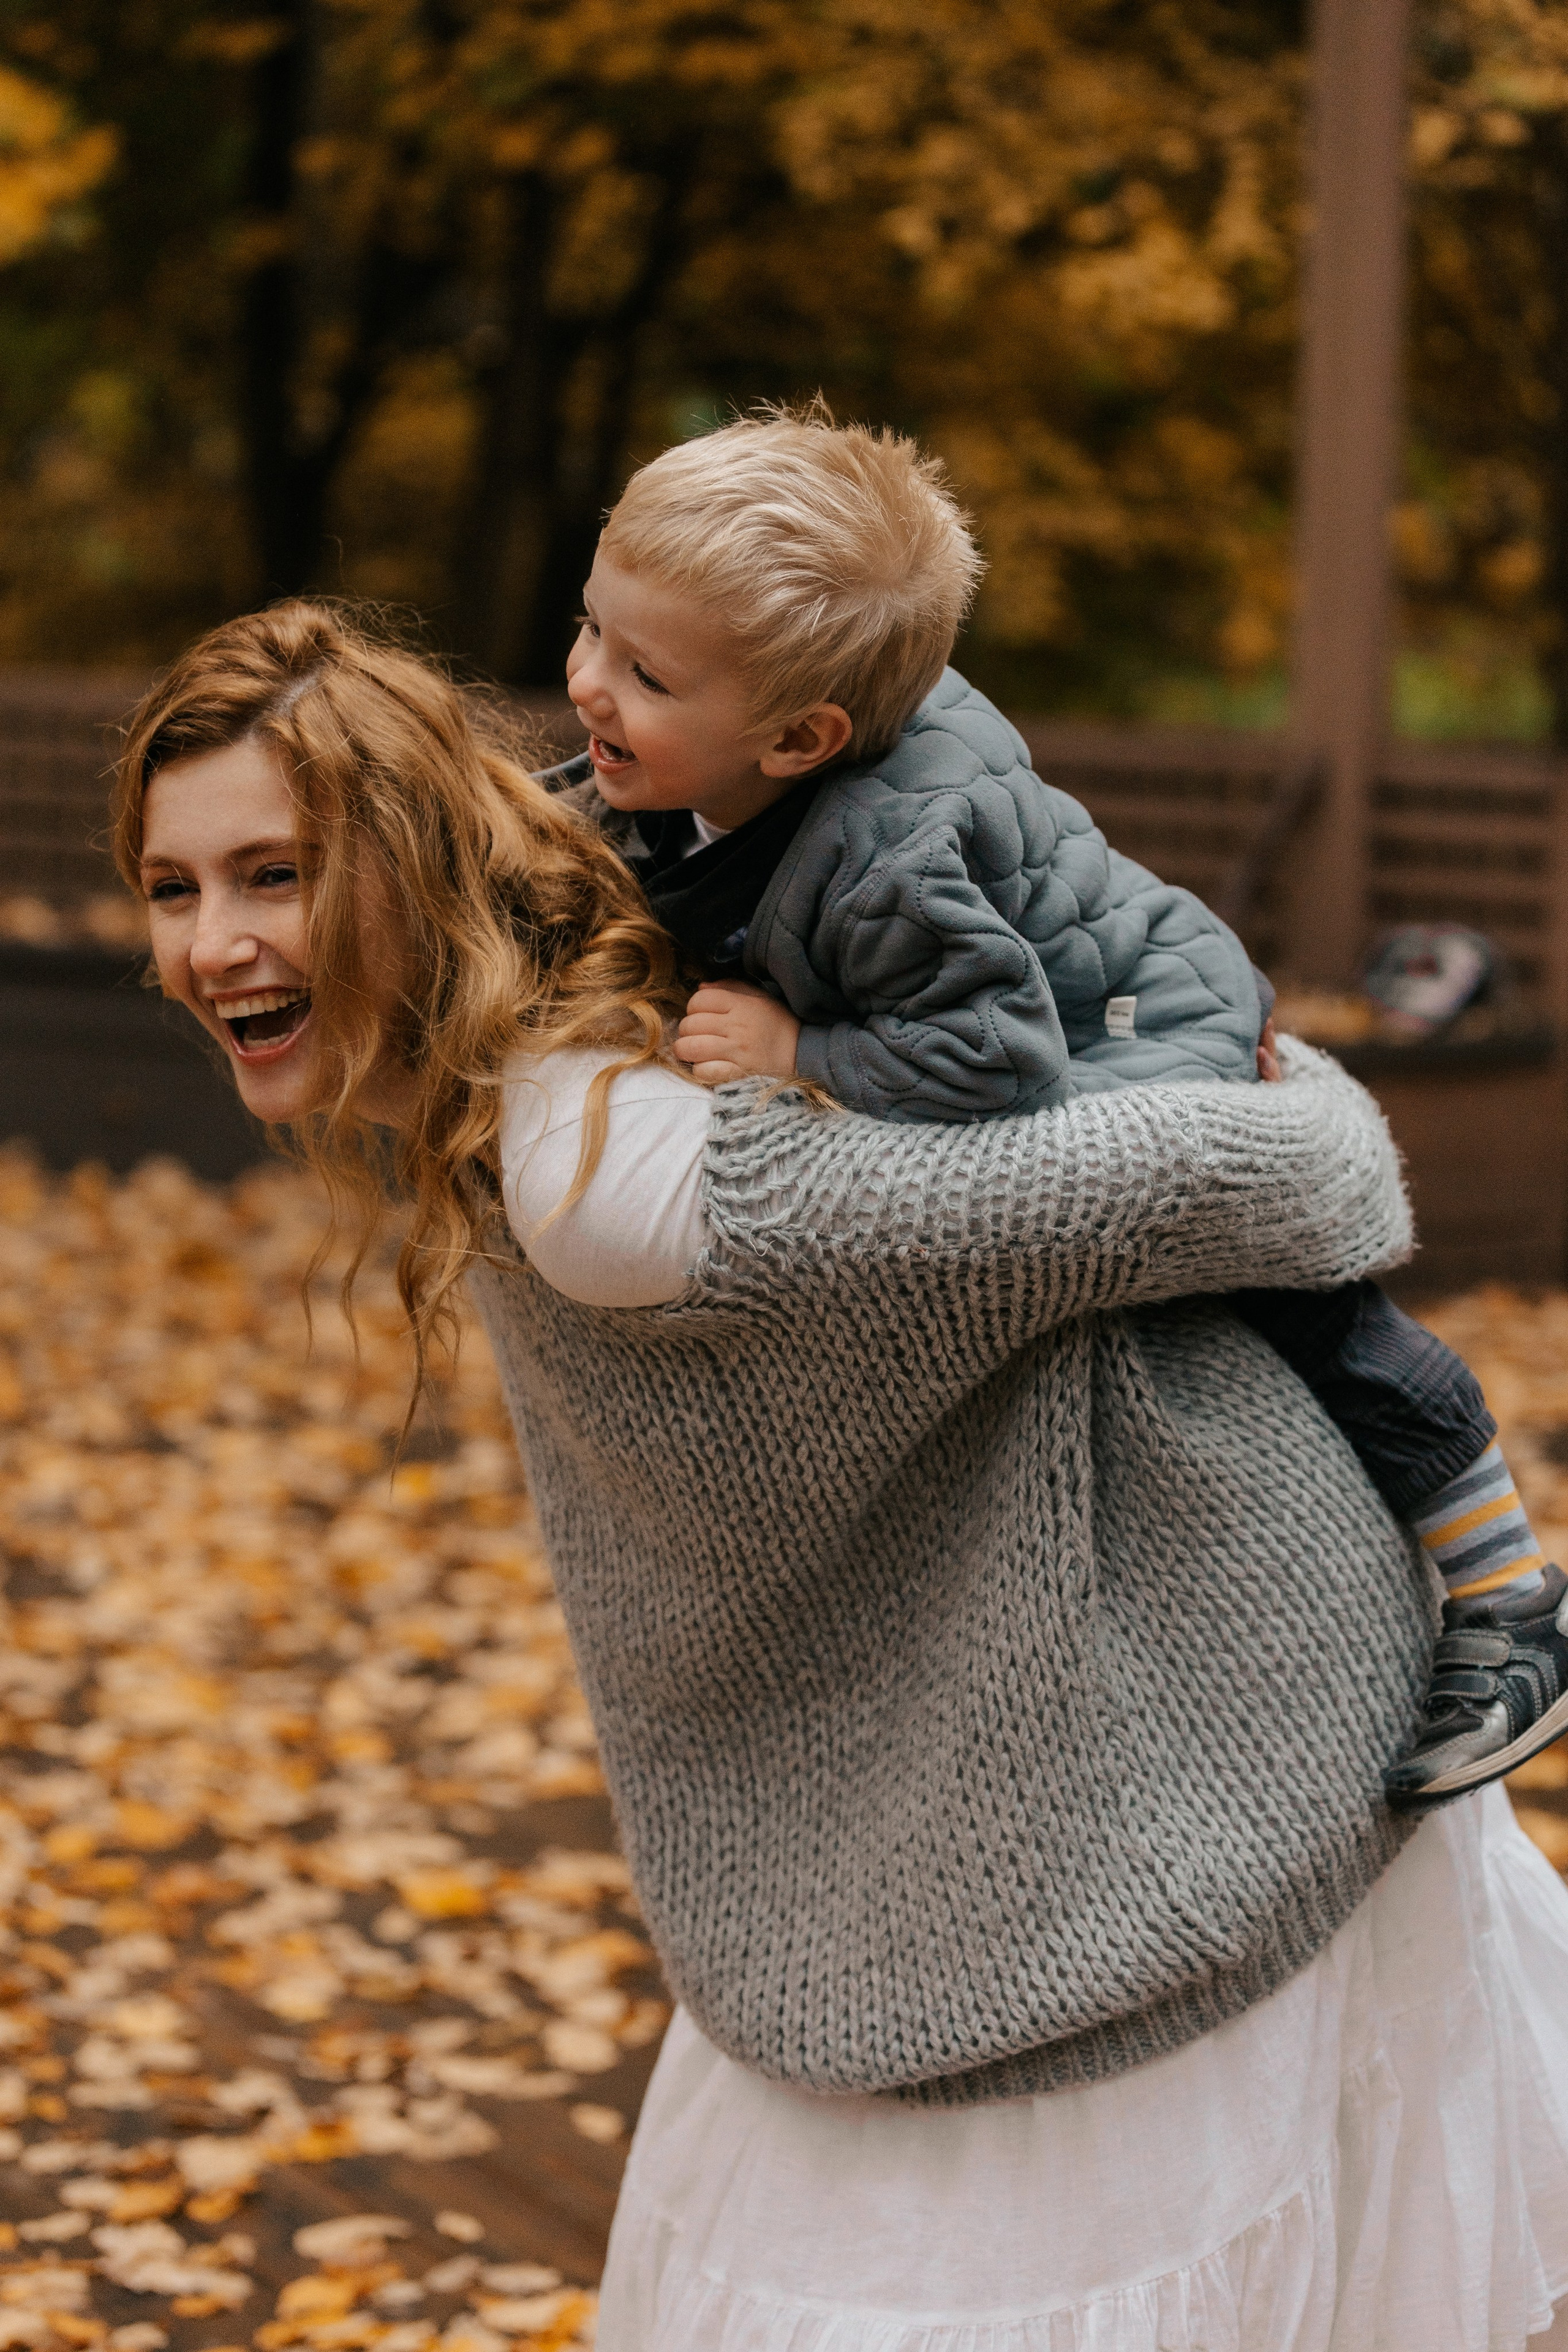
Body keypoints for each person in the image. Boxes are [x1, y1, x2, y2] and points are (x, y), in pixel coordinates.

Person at [112, 601, 1568, 2351]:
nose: (214, 944)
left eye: (272, 874)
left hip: (1223, 1731)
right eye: (174, 888)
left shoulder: (609, 1170)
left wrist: (1295, 1093)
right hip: (979, 1802)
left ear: (404, 860)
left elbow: (1281, 1180)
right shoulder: (564, 1008)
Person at [543, 405, 1568, 1811]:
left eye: (641, 672)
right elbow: (588, 827)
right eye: (591, 630)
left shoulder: (884, 859)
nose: (588, 684)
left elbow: (996, 1061)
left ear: (802, 739)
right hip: (1048, 981)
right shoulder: (717, 755)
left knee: (1277, 1286)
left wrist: (803, 1050)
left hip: (1134, 1024)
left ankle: (1509, 1592)